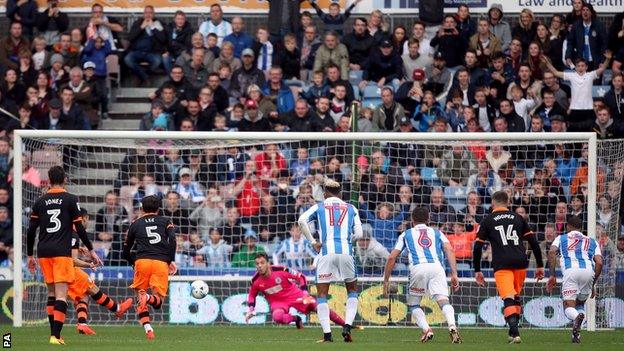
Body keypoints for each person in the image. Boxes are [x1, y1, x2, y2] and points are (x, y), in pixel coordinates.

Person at [26, 166, 102, 345]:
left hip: (43, 252)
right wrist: (91, 250)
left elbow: (31, 231)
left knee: (51, 293)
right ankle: (55, 336)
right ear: (65, 179)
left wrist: (30, 255)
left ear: (49, 180)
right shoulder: (70, 199)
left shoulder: (40, 201)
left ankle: (54, 334)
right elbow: (80, 228)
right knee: (61, 294)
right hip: (61, 252)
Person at [472, 191, 544, 344]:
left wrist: (477, 270)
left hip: (502, 264)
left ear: (493, 203)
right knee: (515, 296)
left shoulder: (488, 220)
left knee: (508, 298)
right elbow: (534, 243)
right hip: (520, 262)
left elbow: (477, 247)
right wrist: (540, 265)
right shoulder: (518, 218)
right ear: (508, 202)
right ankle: (512, 333)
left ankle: (516, 333)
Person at [383, 207, 461, 343]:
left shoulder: (406, 234)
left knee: (414, 304)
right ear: (428, 219)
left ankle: (427, 329)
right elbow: (449, 249)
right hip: (437, 268)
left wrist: (386, 280)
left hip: (418, 268)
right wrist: (454, 273)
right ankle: (452, 325)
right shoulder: (437, 233)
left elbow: (391, 258)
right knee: (443, 300)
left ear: (412, 220)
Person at [298, 179, 363, 343]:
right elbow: (360, 234)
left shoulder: (319, 207)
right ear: (340, 193)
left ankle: (327, 335)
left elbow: (301, 221)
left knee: (322, 295)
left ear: (325, 192)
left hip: (326, 252)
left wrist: (313, 242)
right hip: (347, 252)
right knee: (352, 290)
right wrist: (348, 240)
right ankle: (347, 325)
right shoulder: (351, 208)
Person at [68, 209, 133, 335]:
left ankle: (82, 324)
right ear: (84, 218)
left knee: (83, 294)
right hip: (68, 269)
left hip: (57, 267)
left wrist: (77, 248)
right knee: (90, 285)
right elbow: (73, 260)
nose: (87, 223)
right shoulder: (74, 233)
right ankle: (117, 309)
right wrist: (89, 264)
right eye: (87, 220)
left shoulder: (65, 230)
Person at [122, 195, 177, 340]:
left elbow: (125, 252)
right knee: (158, 302)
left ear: (141, 208)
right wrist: (169, 259)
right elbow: (172, 239)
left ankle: (148, 329)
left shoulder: (135, 223)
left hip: (142, 262)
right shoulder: (166, 221)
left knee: (140, 298)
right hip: (160, 263)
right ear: (159, 208)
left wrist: (134, 263)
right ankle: (148, 298)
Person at [245, 252, 345, 328]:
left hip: (295, 295)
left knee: (319, 308)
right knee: (277, 317)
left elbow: (301, 277)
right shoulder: (255, 281)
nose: (259, 266)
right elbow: (251, 295)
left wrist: (305, 293)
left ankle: (345, 325)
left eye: (262, 263)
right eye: (257, 263)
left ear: (268, 263)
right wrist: (251, 310)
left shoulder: (281, 270)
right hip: (278, 302)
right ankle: (296, 319)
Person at [547, 216, 603, 344]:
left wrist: (552, 275)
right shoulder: (592, 241)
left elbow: (551, 252)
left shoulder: (561, 238)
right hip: (588, 273)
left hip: (571, 272)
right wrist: (593, 283)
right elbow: (599, 262)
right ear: (581, 228)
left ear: (568, 227)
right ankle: (576, 335)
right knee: (580, 304)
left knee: (568, 307)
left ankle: (577, 317)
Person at [543, 51, 612, 130]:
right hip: (575, 109)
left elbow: (602, 68)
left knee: (590, 133)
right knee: (574, 134)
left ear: (586, 67)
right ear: (575, 67)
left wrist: (607, 59)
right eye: (578, 66)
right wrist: (547, 63)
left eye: (582, 66)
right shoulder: (571, 75)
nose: (580, 68)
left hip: (588, 109)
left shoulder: (591, 75)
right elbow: (555, 73)